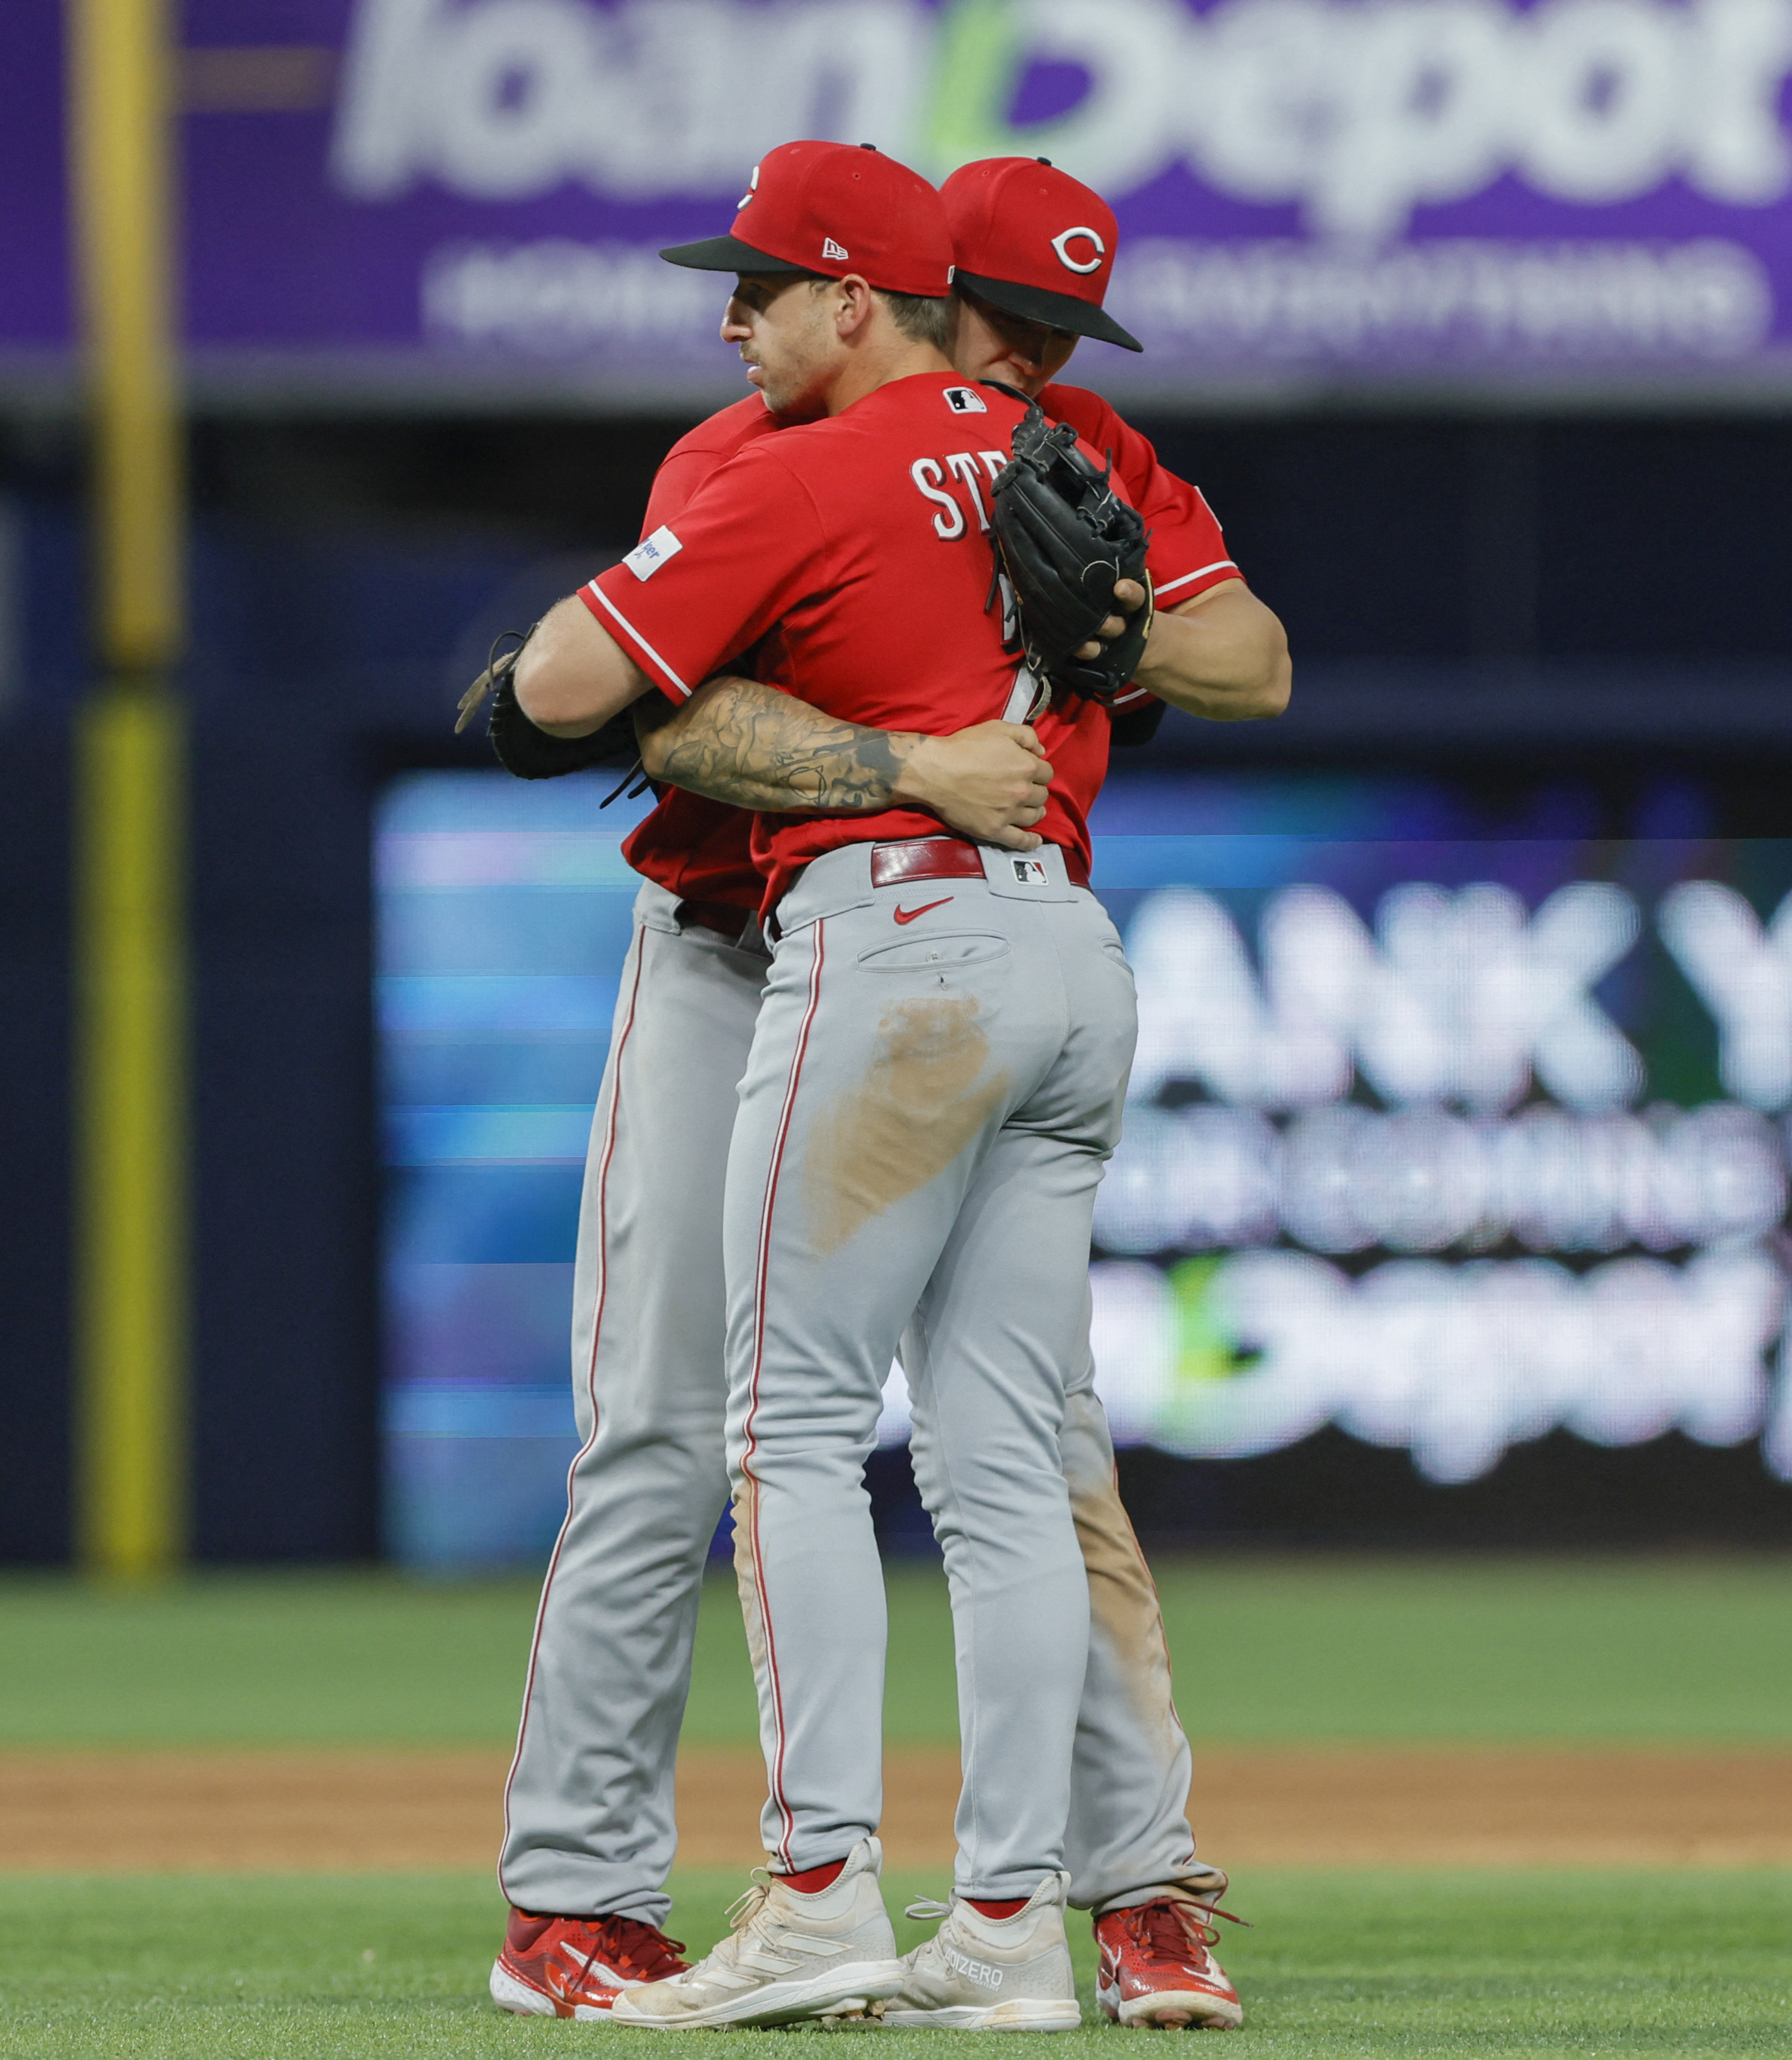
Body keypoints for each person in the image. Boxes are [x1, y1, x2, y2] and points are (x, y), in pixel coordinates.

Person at [487, 144, 1283, 2031]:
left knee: (1023, 1448)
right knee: (670, 1422)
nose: (1026, 359)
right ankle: (580, 1895)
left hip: (943, 959)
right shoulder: (755, 448)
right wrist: (912, 761)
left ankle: (1120, 1890)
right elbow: (659, 711)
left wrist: (1111, 633)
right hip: (733, 949)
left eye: (1057, 331)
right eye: (1003, 320)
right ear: (917, 299)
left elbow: (1244, 655)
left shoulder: (1068, 452)